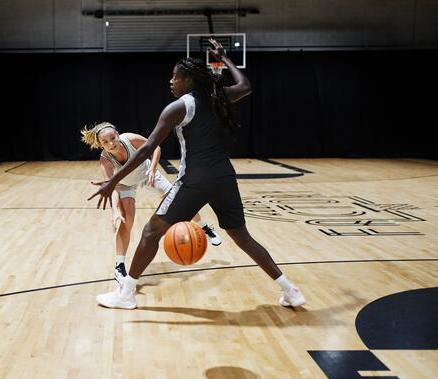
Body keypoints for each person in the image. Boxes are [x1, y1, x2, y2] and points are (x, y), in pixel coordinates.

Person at [88, 38, 306, 310]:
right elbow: (246, 86)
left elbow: (146, 151)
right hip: (224, 177)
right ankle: (291, 290)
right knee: (243, 237)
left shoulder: (178, 107)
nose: (171, 81)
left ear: (188, 79)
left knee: (150, 233)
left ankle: (126, 293)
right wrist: (224, 58)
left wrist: (113, 181)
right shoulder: (217, 98)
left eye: (175, 77)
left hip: (195, 180)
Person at [81, 122, 222, 282]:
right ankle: (119, 267)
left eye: (112, 138)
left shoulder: (130, 139)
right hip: (125, 183)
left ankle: (204, 228)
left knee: (178, 200)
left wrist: (153, 168)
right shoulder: (105, 160)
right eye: (105, 142)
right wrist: (115, 212)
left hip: (147, 173)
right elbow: (111, 187)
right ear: (100, 144)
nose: (111, 143)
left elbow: (156, 147)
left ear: (118, 134)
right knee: (126, 221)